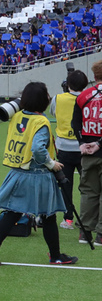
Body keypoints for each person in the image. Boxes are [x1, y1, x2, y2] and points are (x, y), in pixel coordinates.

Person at [0, 81, 77, 265]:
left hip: (18, 172)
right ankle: (55, 256)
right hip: (38, 175)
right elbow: (38, 149)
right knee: (49, 216)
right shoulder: (41, 121)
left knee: (11, 213)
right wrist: (52, 164)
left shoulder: (17, 115)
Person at [50, 69, 88, 230]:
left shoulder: (58, 98)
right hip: (85, 146)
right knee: (88, 185)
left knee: (66, 184)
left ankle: (68, 219)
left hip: (64, 146)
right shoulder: (88, 97)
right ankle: (87, 219)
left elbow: (53, 112)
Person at [74, 61, 102, 245]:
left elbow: (75, 123)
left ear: (94, 76)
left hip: (88, 151)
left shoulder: (83, 95)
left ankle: (85, 232)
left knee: (88, 192)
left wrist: (82, 143)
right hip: (99, 146)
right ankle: (101, 235)